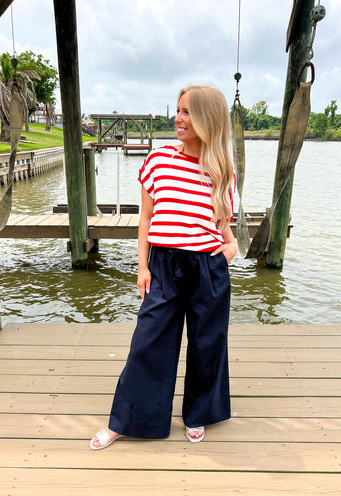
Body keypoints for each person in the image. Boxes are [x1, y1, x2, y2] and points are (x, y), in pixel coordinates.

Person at [90, 85, 238, 450]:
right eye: (178, 110)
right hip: (163, 265)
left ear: (208, 119)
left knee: (208, 344)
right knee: (148, 342)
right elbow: (146, 221)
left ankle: (198, 413)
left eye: (187, 112)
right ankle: (125, 420)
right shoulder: (158, 162)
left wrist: (220, 259)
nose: (178, 118)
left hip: (207, 267)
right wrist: (142, 267)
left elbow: (224, 233)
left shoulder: (221, 172)